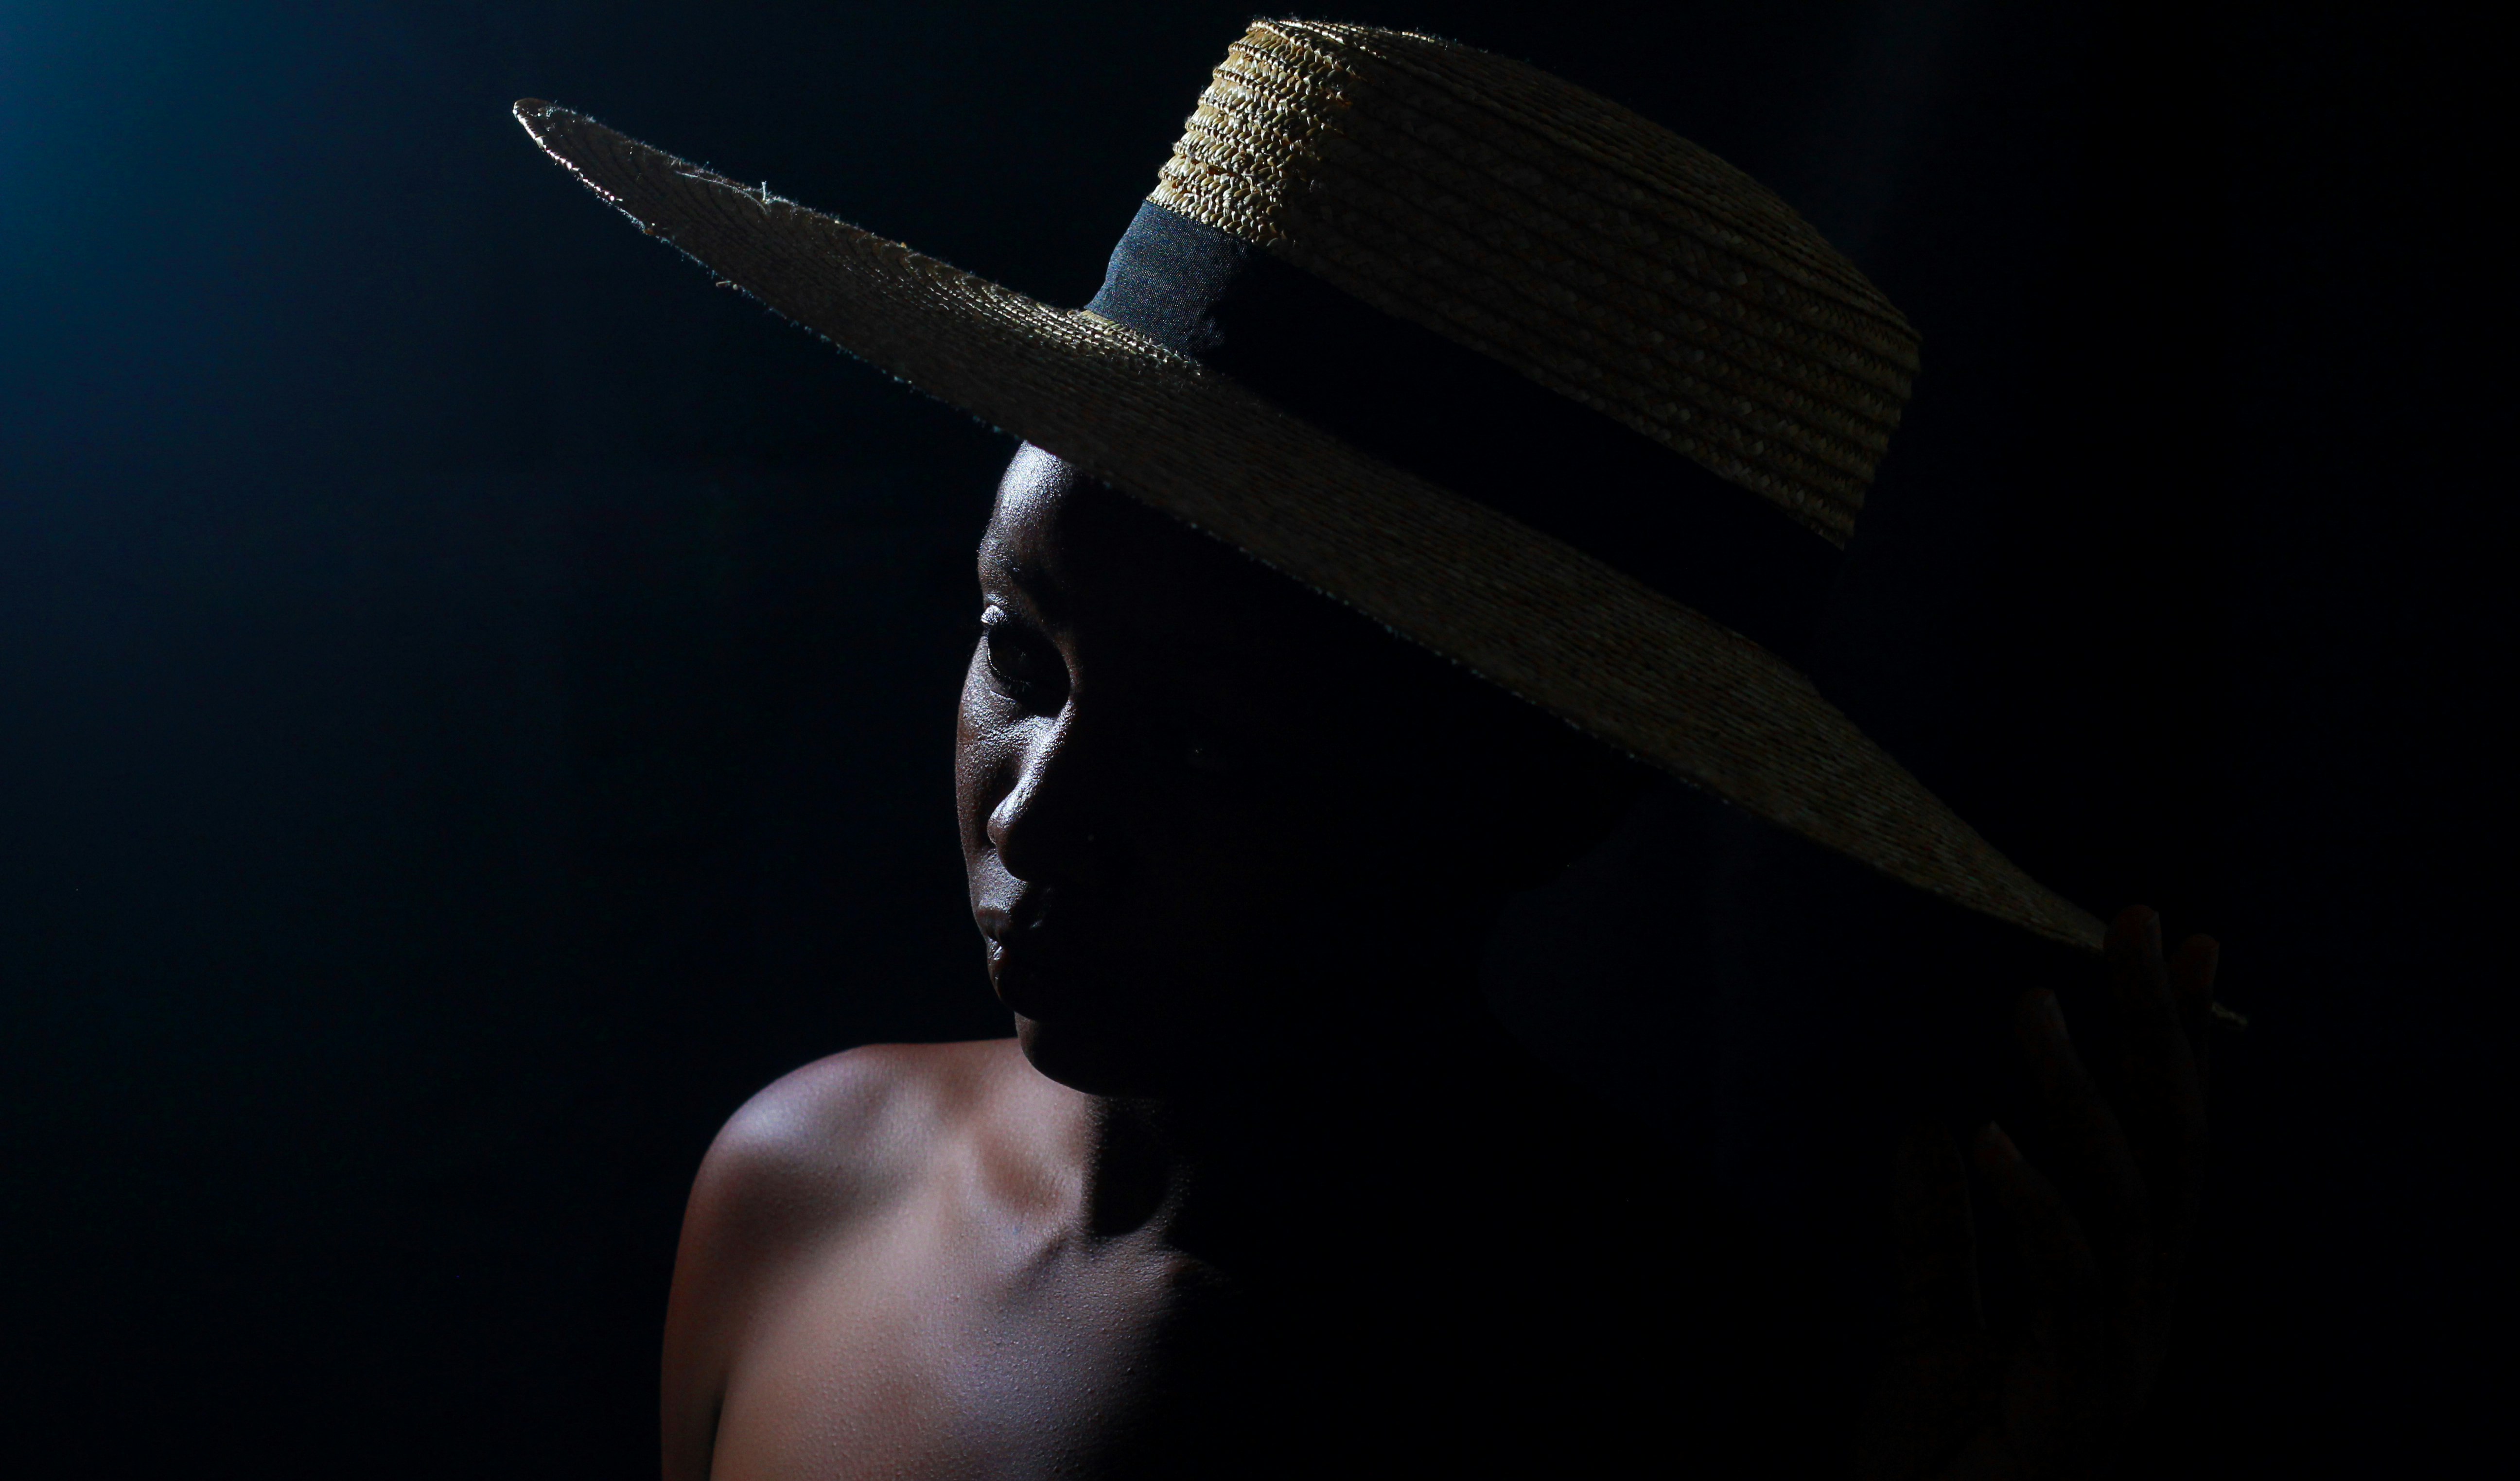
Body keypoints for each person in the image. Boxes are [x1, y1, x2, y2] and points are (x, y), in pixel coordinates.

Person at [516, 20, 2226, 1477]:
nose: (1038, 814)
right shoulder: (800, 1190)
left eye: (1205, 748)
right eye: (1017, 653)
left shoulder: (1704, 1405)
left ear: (1540, 797)